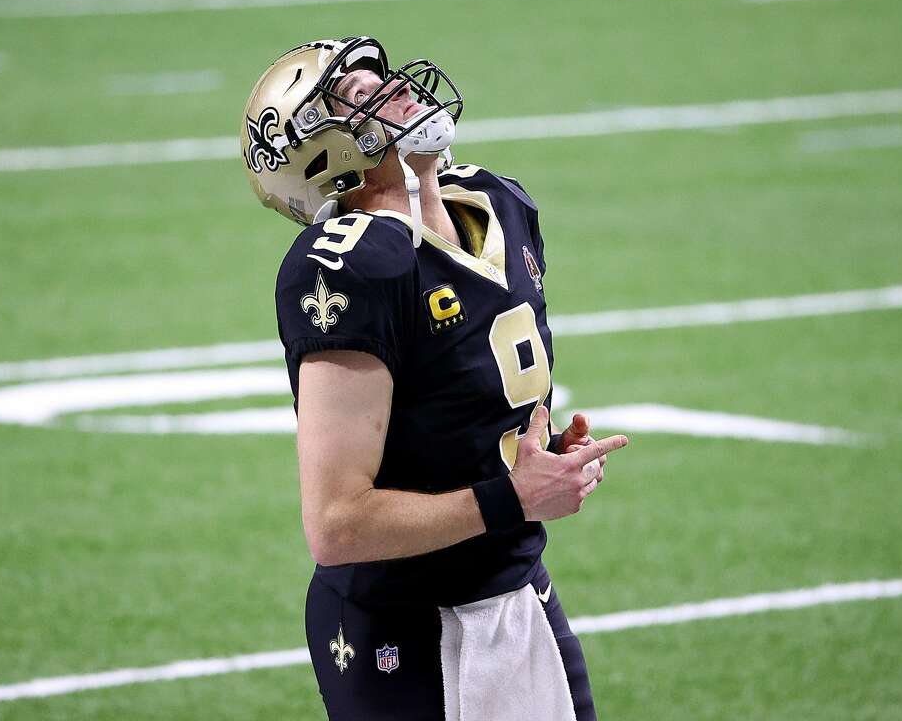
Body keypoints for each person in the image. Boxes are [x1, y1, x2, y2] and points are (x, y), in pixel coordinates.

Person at [241, 37, 629, 721]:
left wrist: (528, 458)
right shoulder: (349, 266)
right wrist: (512, 495)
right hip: (412, 622)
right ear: (324, 154)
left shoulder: (496, 202)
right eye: (361, 97)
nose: (395, 89)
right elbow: (336, 524)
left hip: (516, 589)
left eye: (381, 77)